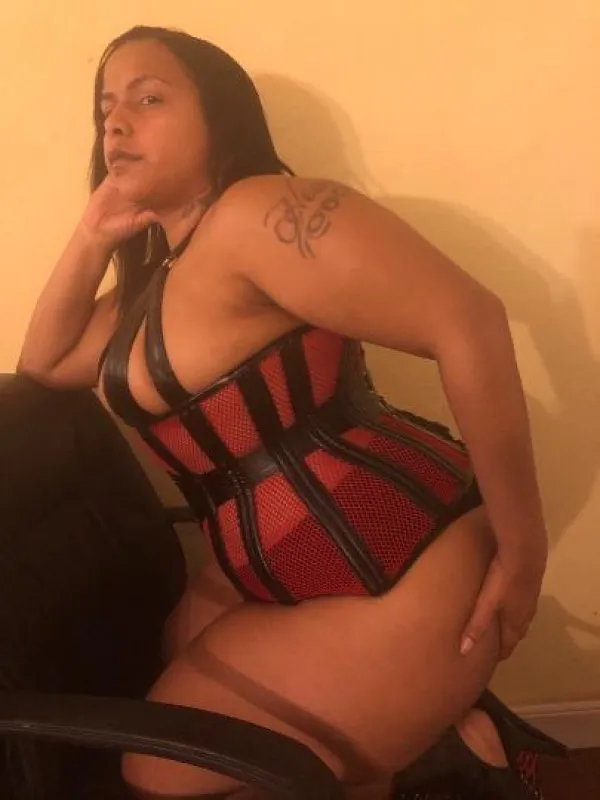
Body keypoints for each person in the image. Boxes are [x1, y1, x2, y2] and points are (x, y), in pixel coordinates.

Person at [18, 24, 566, 800]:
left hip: (404, 567)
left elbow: (469, 320)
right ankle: (451, 747)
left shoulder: (258, 213)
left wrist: (524, 553)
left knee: (156, 772)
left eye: (149, 99)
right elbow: (44, 365)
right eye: (106, 108)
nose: (116, 123)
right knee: (183, 666)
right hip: (293, 572)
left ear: (220, 117)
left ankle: (448, 752)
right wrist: (91, 233)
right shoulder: (158, 278)